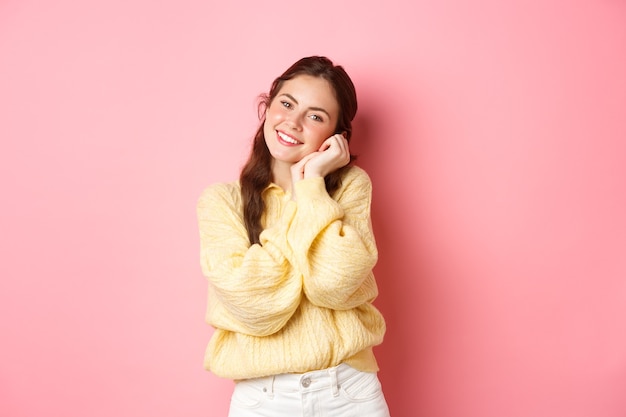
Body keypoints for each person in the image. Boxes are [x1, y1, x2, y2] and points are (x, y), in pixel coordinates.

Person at [197, 56, 390, 417]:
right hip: (263, 399)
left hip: (350, 392)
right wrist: (304, 213)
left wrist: (312, 186)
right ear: (267, 107)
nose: (294, 122)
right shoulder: (221, 202)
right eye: (286, 104)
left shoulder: (350, 187)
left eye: (315, 116)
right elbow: (257, 307)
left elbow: (334, 285)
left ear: (336, 137)